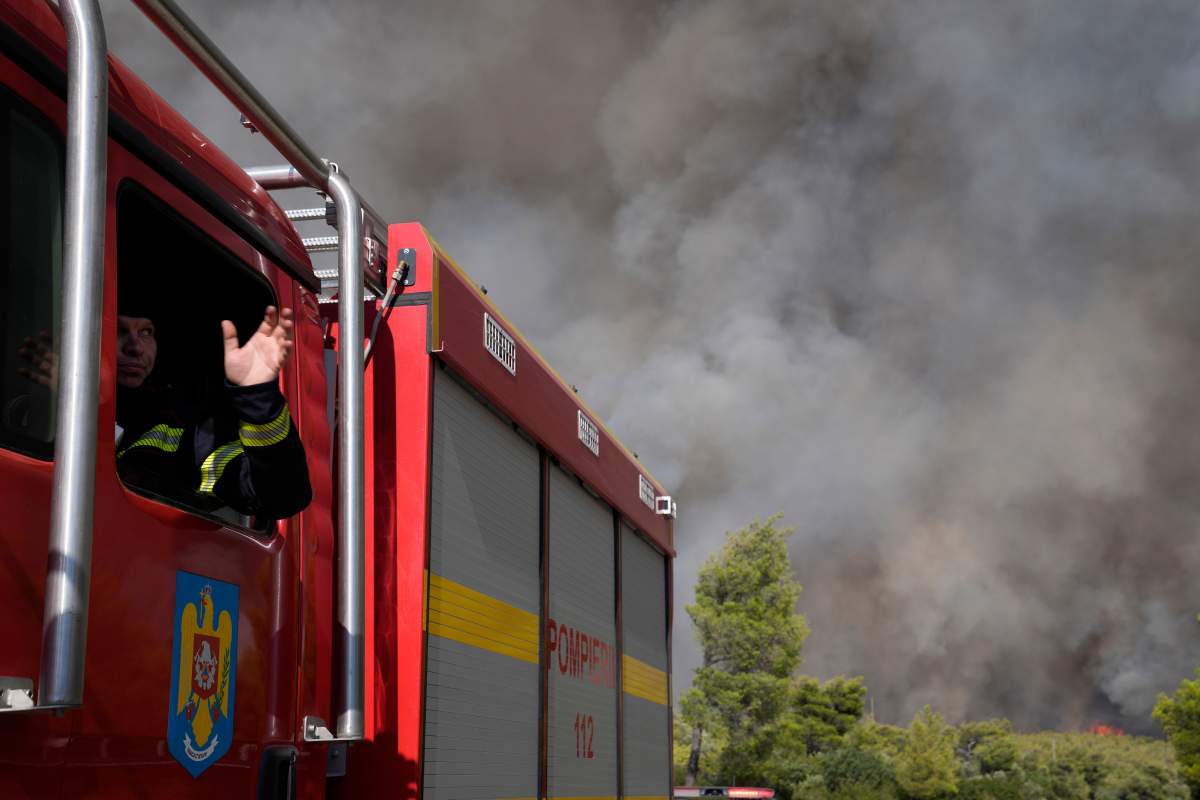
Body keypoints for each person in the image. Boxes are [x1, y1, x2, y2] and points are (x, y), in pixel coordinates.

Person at [113, 303, 312, 521]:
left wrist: (258, 398)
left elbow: (281, 496)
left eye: (146, 332)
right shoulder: (71, 409)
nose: (135, 347)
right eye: (118, 329)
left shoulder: (180, 426)